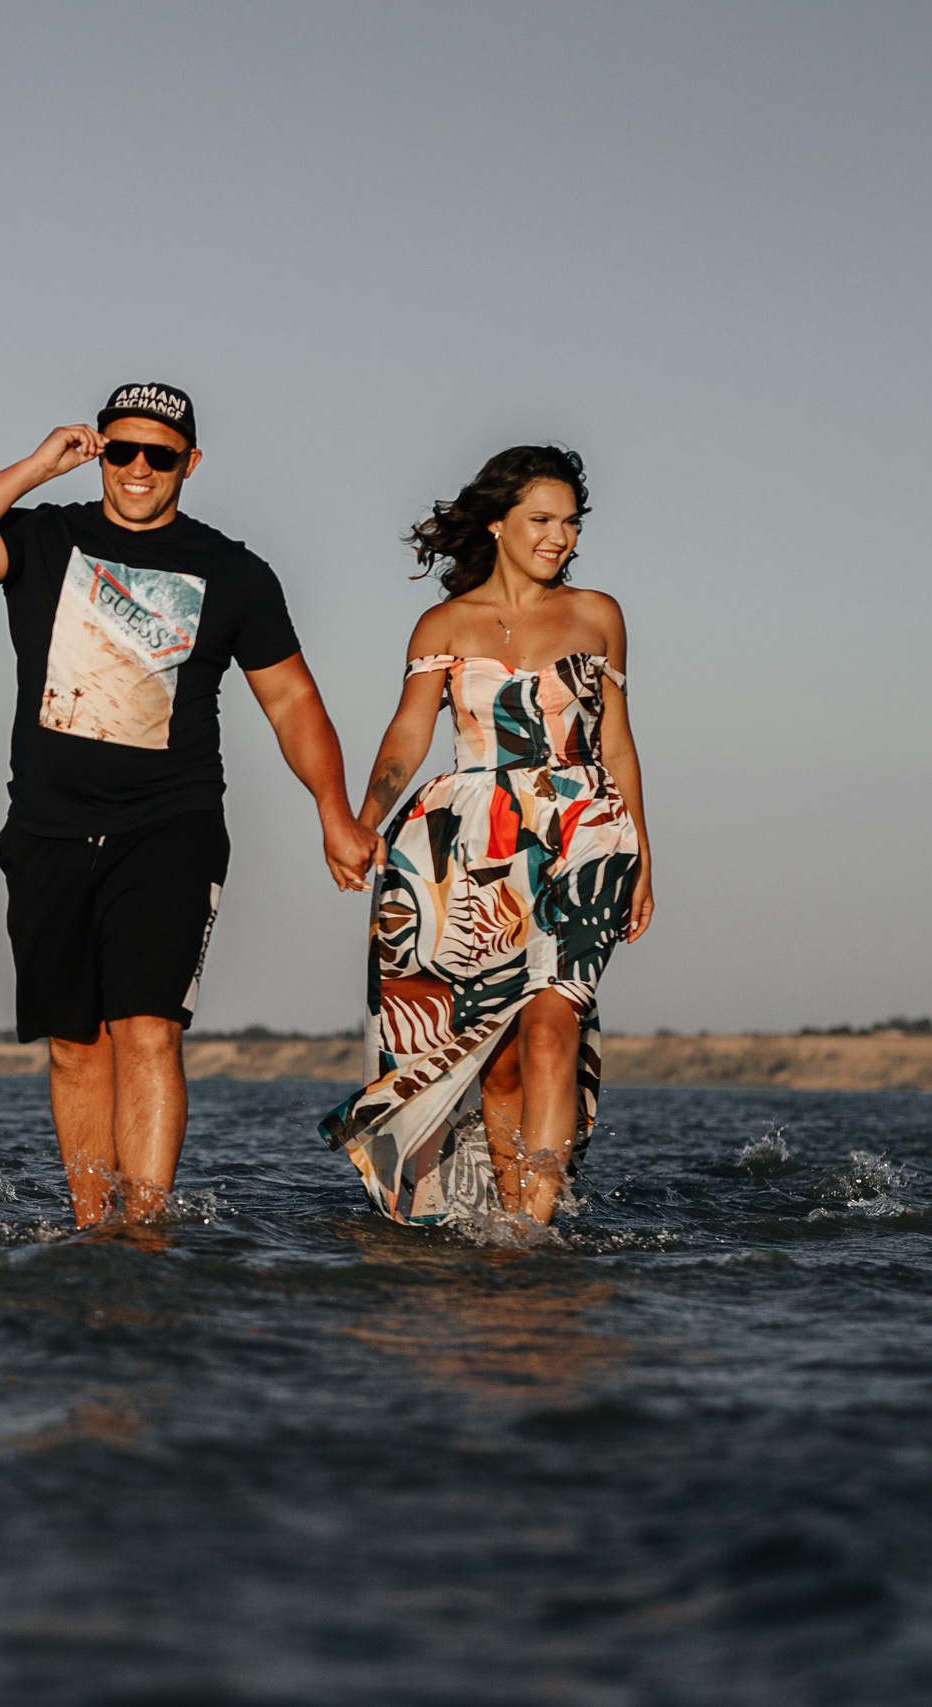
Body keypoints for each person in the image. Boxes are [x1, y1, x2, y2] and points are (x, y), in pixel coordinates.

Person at [0, 383, 381, 1227]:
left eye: (158, 455)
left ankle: (149, 1232)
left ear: (188, 465)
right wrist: (33, 468)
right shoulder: (44, 536)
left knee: (148, 1030)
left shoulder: (234, 572)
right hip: (46, 827)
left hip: (171, 823)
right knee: (73, 1046)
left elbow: (294, 704)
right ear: (99, 452)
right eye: (119, 450)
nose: (135, 469)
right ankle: (96, 1226)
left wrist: (334, 813)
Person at [319, 445, 653, 1226]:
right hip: (470, 848)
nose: (559, 538)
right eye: (542, 520)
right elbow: (407, 734)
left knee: (549, 1027)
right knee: (497, 1059)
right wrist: (363, 822)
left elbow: (620, 746)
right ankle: (505, 1222)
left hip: (583, 833)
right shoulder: (444, 623)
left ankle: (532, 1235)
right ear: (499, 523)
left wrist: (643, 855)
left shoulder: (599, 615)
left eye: (570, 523)